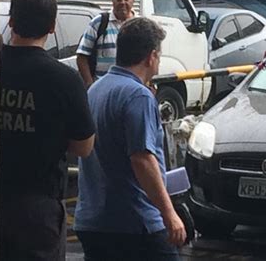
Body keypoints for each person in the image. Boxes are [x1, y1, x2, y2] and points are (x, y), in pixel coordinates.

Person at [74, 17, 186, 261]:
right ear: (151, 56)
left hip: (93, 220)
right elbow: (142, 160)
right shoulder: (138, 96)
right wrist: (169, 214)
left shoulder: (96, 90)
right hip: (135, 223)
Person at [0, 0, 95, 261]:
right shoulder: (64, 79)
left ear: (12, 21)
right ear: (52, 27)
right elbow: (84, 147)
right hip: (38, 207)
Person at [76, 0, 135, 87]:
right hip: (103, 91)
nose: (122, 2)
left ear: (133, 0)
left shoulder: (140, 25)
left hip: (131, 90)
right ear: (112, 0)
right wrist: (90, 85)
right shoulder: (99, 23)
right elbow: (81, 56)